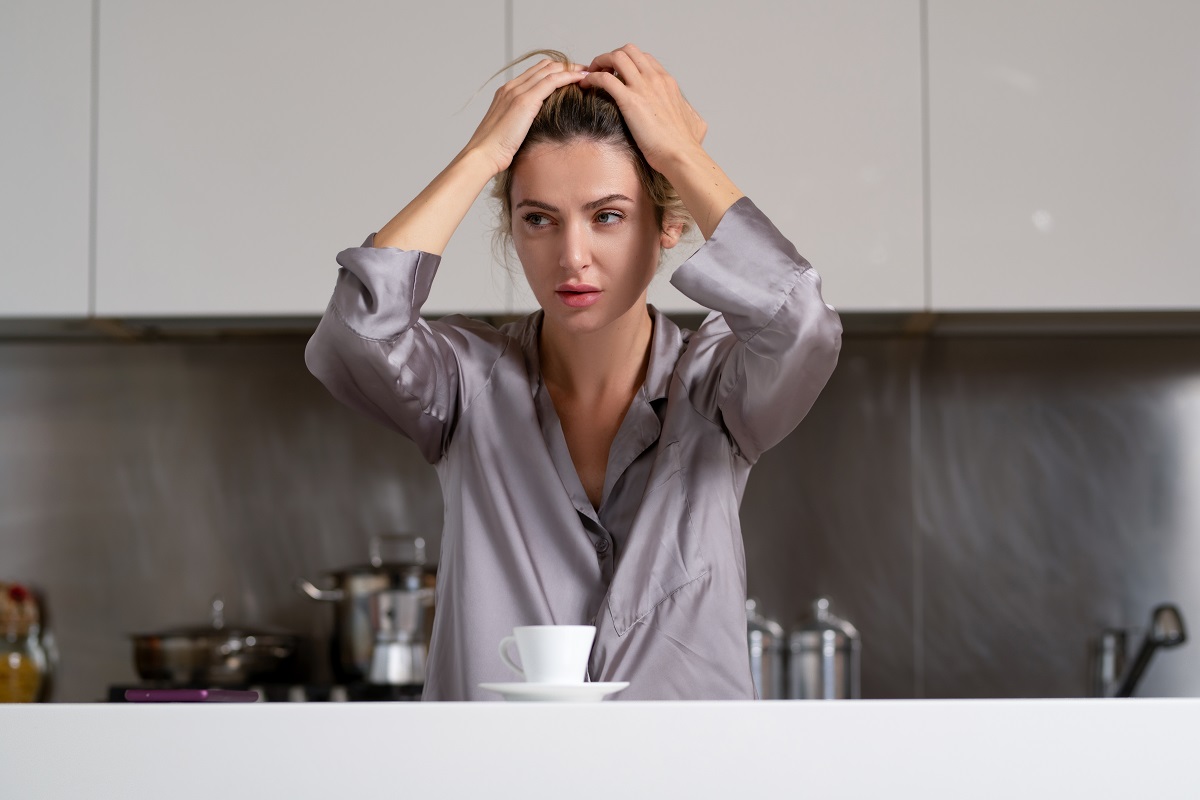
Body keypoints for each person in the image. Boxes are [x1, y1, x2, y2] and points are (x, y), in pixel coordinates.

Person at [305, 45, 842, 700]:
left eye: (607, 215)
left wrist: (681, 156)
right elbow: (356, 334)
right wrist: (480, 157)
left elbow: (803, 325)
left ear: (668, 223)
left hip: (689, 778)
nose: (572, 256)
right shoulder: (464, 385)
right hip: (496, 779)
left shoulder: (719, 388)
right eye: (539, 219)